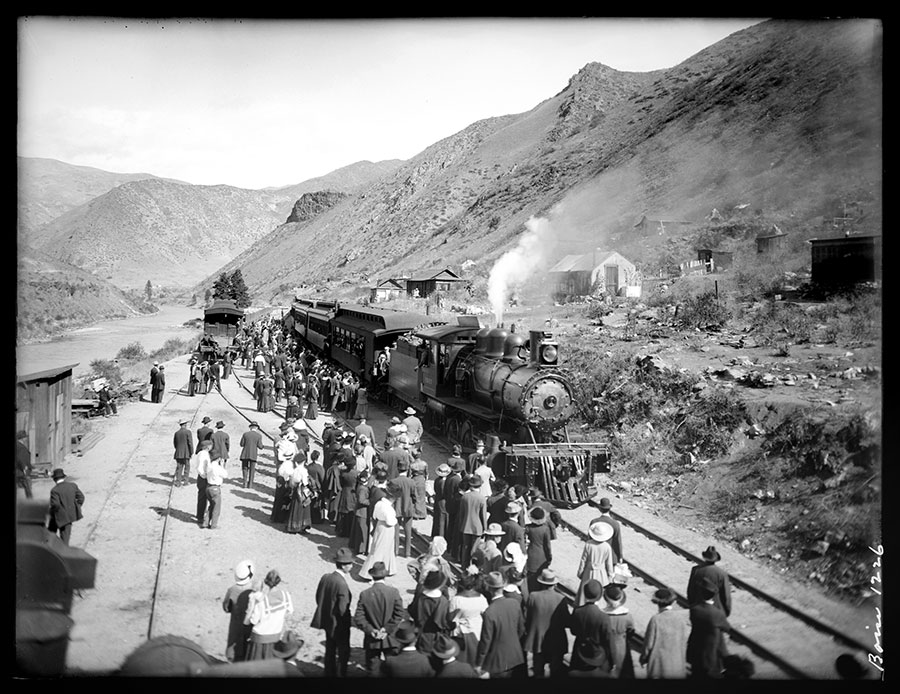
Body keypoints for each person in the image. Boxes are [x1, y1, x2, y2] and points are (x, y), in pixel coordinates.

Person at [353, 561, 408, 674]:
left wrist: (371, 630)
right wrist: (387, 629)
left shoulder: (365, 594)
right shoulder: (393, 592)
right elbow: (399, 614)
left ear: (372, 576)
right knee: (392, 670)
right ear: (385, 576)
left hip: (372, 639)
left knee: (373, 669)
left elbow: (359, 617)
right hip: (390, 638)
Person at [311, 547, 354, 677]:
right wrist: (348, 622)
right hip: (339, 624)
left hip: (328, 620)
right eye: (350, 563)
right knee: (343, 651)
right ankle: (342, 674)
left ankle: (329, 673)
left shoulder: (326, 577)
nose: (352, 566)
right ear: (345, 566)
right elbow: (342, 609)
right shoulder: (342, 584)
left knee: (330, 649)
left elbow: (319, 597)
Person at [475, 571, 526, 678]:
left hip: (497, 662)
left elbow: (486, 641)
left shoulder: (489, 612)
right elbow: (521, 629)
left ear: (488, 588)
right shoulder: (514, 603)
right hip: (516, 656)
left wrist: (479, 664)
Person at [523, 568, 569, 677]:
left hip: (537, 640)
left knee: (538, 671)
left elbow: (527, 618)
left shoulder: (533, 596)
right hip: (556, 641)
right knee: (556, 671)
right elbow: (567, 621)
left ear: (541, 582)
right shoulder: (561, 599)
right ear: (554, 584)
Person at [686, 576, 731, 679]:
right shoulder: (717, 613)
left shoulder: (694, 609)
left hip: (696, 648)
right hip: (712, 651)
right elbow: (726, 628)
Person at [244, 569, 294, 661]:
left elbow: (254, 620)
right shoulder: (286, 596)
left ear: (266, 582)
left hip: (260, 638)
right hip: (275, 637)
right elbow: (290, 611)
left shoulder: (261, 600)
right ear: (278, 581)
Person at [641, 587, 688, 679]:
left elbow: (649, 644)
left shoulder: (656, 619)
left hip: (659, 667)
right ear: (673, 601)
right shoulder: (681, 618)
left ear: (657, 602)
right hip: (677, 665)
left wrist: (643, 659)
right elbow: (684, 640)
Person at [567, 579, 612, 673]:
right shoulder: (603, 617)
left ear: (585, 594)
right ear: (599, 596)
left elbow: (573, 631)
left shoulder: (577, 611)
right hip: (596, 654)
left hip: (579, 651)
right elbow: (607, 639)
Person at [407, 570, 455, 655]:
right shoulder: (442, 602)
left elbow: (411, 610)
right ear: (440, 584)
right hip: (434, 639)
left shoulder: (420, 596)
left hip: (418, 634)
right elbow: (443, 623)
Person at [360, 479, 400, 579]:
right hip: (387, 529)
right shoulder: (389, 509)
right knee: (380, 550)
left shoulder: (379, 504)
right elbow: (391, 522)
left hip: (379, 526)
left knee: (378, 547)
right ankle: (370, 572)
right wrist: (395, 520)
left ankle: (389, 568)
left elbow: (374, 516)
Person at [448, 571, 488, 667]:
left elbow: (450, 617)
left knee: (461, 658)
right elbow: (486, 614)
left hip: (460, 633)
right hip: (476, 631)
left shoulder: (456, 599)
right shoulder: (481, 598)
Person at [574, 521, 615, 607]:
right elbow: (609, 564)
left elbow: (583, 560)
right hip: (601, 573)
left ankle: (582, 607)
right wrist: (610, 576)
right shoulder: (607, 547)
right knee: (599, 594)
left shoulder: (588, 544)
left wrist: (580, 572)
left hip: (588, 572)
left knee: (584, 593)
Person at [222, 559, 255, 662]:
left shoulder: (232, 590)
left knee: (234, 649)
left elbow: (226, 608)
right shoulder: (255, 590)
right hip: (250, 625)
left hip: (236, 624)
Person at [687, 545, 732, 617]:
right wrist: (726, 611)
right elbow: (726, 595)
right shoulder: (721, 574)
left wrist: (692, 606)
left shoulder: (696, 570)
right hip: (716, 609)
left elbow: (691, 590)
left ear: (704, 558)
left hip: (698, 607)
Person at [601, 584, 636, 677]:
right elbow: (631, 631)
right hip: (622, 646)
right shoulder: (627, 615)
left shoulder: (603, 616)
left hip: (605, 648)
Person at [457, 474, 488, 569]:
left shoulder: (465, 497)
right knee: (474, 549)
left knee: (465, 547)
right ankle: (472, 568)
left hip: (465, 525)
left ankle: (464, 566)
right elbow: (483, 516)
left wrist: (460, 525)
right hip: (477, 528)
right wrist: (485, 529)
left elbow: (461, 513)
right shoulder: (482, 498)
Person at [48, 468, 84, 545]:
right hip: (70, 516)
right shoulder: (72, 486)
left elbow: (55, 505)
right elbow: (81, 498)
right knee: (65, 538)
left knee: (50, 534)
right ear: (64, 477)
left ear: (54, 479)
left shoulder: (55, 490)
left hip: (59, 516)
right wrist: (76, 507)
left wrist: (50, 511)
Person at [391, 459, 417, 558]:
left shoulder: (393, 481)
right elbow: (414, 496)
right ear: (407, 469)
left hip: (396, 508)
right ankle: (407, 552)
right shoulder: (411, 482)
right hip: (408, 507)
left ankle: (395, 551)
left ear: (398, 469)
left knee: (396, 530)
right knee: (408, 530)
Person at [525, 506, 554, 593]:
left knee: (531, 580)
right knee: (541, 578)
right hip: (542, 556)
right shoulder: (545, 529)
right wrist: (549, 557)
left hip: (531, 554)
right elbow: (547, 546)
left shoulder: (528, 528)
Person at [285, 452, 313, 534]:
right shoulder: (303, 471)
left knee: (295, 507)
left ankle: (292, 525)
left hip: (295, 490)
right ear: (303, 461)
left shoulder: (294, 470)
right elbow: (305, 482)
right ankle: (301, 526)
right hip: (302, 490)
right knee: (303, 508)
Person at [592, 497, 624, 563]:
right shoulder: (615, 524)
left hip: (598, 557)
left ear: (600, 509)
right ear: (609, 509)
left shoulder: (594, 522)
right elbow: (618, 541)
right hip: (612, 558)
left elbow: (590, 540)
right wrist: (620, 556)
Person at [204, 454, 229, 529]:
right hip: (215, 488)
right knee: (216, 508)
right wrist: (222, 465)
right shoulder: (218, 468)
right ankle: (214, 525)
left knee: (211, 506)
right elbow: (225, 475)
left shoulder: (209, 466)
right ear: (218, 459)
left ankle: (206, 522)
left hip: (208, 487)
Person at [238, 421, 263, 489]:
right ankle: (250, 484)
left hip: (245, 453)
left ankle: (244, 483)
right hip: (253, 454)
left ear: (250, 427)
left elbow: (241, 444)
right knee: (252, 469)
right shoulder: (259, 436)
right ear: (257, 428)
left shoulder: (245, 434)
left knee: (244, 468)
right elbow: (260, 446)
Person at [193, 440, 212, 527]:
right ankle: (200, 516)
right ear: (208, 446)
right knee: (202, 497)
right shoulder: (203, 454)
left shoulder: (203, 453)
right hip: (203, 478)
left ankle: (200, 514)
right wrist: (204, 475)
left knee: (203, 497)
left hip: (203, 477)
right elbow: (200, 467)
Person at [306, 450, 326, 525]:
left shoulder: (309, 466)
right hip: (318, 487)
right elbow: (322, 478)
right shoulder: (319, 468)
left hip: (310, 487)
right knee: (318, 504)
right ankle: (317, 519)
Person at [172, 418, 194, 487]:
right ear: (185, 424)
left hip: (178, 452)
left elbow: (175, 443)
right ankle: (185, 481)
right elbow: (190, 443)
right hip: (186, 452)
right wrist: (191, 452)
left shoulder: (176, 433)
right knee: (187, 467)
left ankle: (178, 482)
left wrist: (178, 449)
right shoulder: (188, 432)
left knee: (179, 468)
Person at [16, 430, 34, 499]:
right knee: (28, 490)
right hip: (22, 473)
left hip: (18, 471)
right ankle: (30, 504)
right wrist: (25, 470)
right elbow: (21, 460)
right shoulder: (21, 448)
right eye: (25, 438)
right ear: (23, 438)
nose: (26, 439)